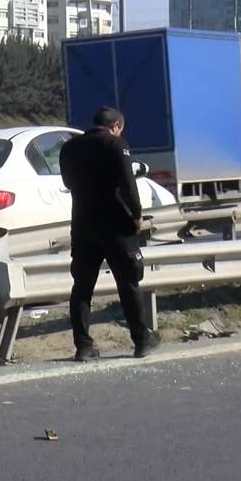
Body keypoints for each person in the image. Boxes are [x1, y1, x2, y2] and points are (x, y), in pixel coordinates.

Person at [58, 107, 161, 361]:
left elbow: (68, 183)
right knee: (128, 282)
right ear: (115, 125)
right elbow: (128, 183)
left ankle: (83, 346)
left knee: (82, 287)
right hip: (116, 224)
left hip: (83, 224)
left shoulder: (69, 148)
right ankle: (141, 340)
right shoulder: (115, 144)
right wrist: (136, 215)